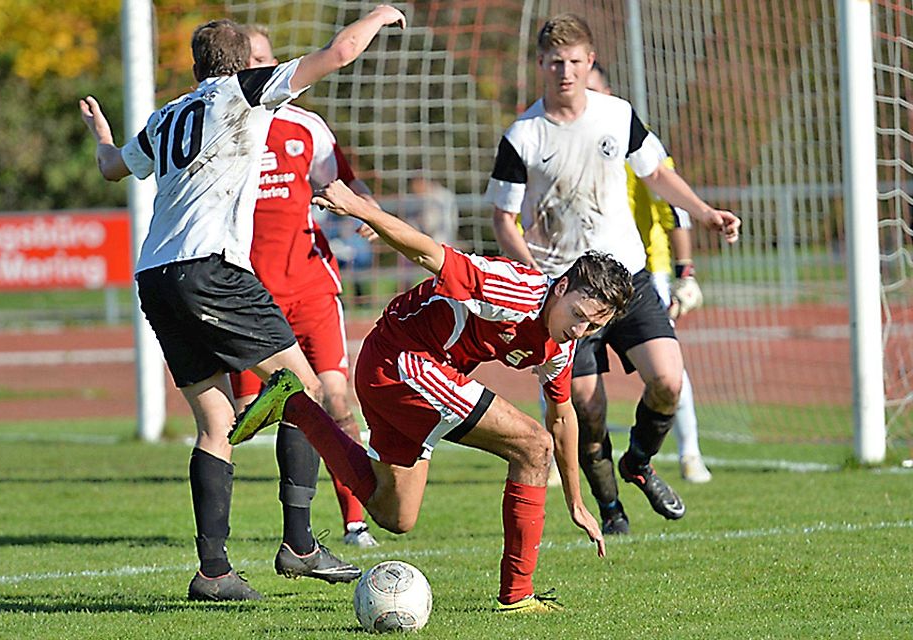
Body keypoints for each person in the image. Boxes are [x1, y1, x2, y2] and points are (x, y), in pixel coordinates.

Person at [79, 7, 407, 601]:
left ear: (196, 64)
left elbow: (109, 168)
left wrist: (102, 131)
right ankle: (300, 545)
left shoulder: (167, 114)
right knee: (307, 393)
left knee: (215, 422)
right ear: (238, 65)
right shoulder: (243, 94)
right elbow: (336, 55)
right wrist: (378, 15)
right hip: (212, 269)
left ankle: (213, 572)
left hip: (155, 276)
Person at [230, 178, 636, 613]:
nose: (580, 330)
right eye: (577, 315)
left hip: (409, 373)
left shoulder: (563, 342)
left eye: (593, 326)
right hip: (402, 359)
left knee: (394, 516)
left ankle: (294, 404)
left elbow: (563, 416)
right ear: (560, 288)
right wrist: (359, 207)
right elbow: (427, 252)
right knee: (532, 445)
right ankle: (518, 596)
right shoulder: (513, 288)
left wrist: (576, 501)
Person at [487, 14, 739, 536]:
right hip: (565, 292)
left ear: (590, 62)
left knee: (668, 380)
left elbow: (658, 174)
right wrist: (538, 278)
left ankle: (639, 463)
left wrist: (707, 212)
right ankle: (610, 509)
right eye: (555, 61)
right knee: (586, 405)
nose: (565, 71)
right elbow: (502, 220)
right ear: (540, 64)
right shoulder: (523, 136)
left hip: (628, 278)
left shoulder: (617, 115)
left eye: (575, 61)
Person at [231, 24, 379, 548]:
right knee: (240, 417)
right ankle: (222, 545)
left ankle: (355, 519)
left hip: (313, 287)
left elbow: (343, 181)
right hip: (248, 296)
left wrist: (368, 212)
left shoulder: (305, 126)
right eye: (250, 61)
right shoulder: (223, 128)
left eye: (268, 59)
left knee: (337, 400)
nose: (262, 69)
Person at [587, 62, 713, 489]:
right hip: (583, 273)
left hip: (644, 270)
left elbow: (672, 204)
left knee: (668, 368)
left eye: (593, 88)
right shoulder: (557, 132)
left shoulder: (627, 132)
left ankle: (689, 452)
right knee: (566, 371)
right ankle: (562, 457)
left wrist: (684, 274)